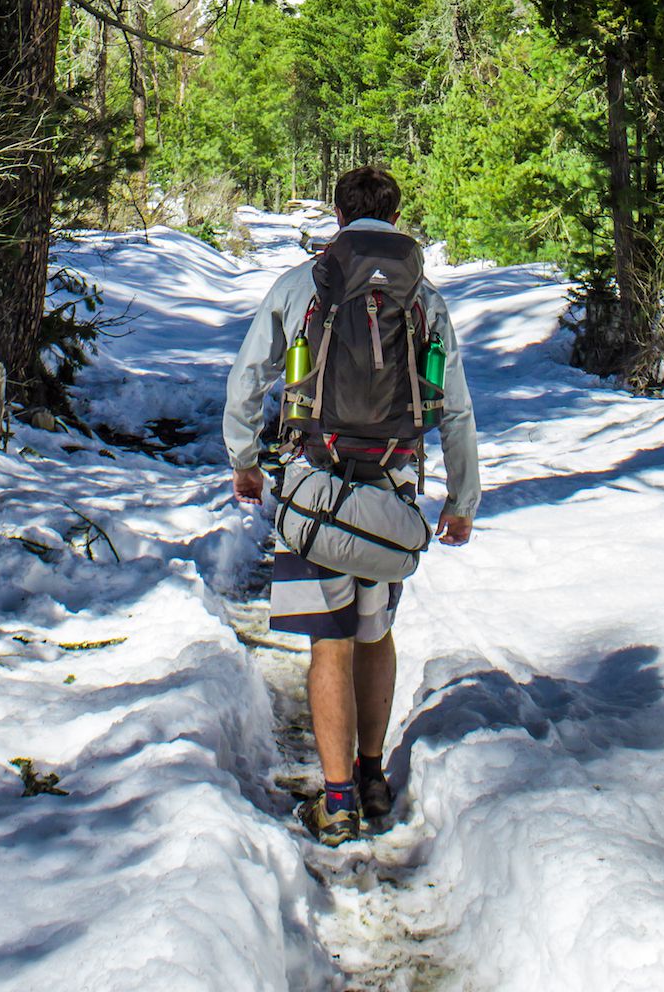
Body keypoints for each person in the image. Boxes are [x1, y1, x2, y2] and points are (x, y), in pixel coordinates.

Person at [223, 164, 479, 845]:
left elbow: (251, 375)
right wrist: (461, 497)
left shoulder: (301, 284)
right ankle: (372, 774)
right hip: (392, 486)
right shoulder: (423, 296)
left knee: (328, 641)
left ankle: (336, 801)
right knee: (375, 633)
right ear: (396, 217)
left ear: (339, 217)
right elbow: (453, 406)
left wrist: (245, 460)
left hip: (314, 484)